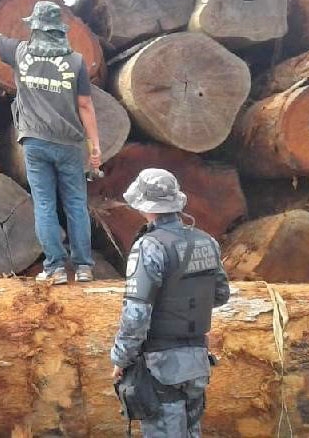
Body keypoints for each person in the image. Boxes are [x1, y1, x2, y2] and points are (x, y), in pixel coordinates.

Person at [0, 1, 101, 284]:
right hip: (69, 143)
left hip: (35, 144)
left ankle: (56, 268)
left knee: (44, 204)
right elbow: (85, 106)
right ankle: (84, 267)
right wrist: (95, 145)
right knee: (75, 204)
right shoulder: (76, 62)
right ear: (60, 31)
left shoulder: (20, 53)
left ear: (35, 28)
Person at [110, 168, 230, 437]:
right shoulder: (206, 242)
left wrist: (121, 358)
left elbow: (136, 315)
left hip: (160, 366)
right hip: (197, 362)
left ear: (145, 205)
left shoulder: (149, 246)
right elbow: (221, 294)